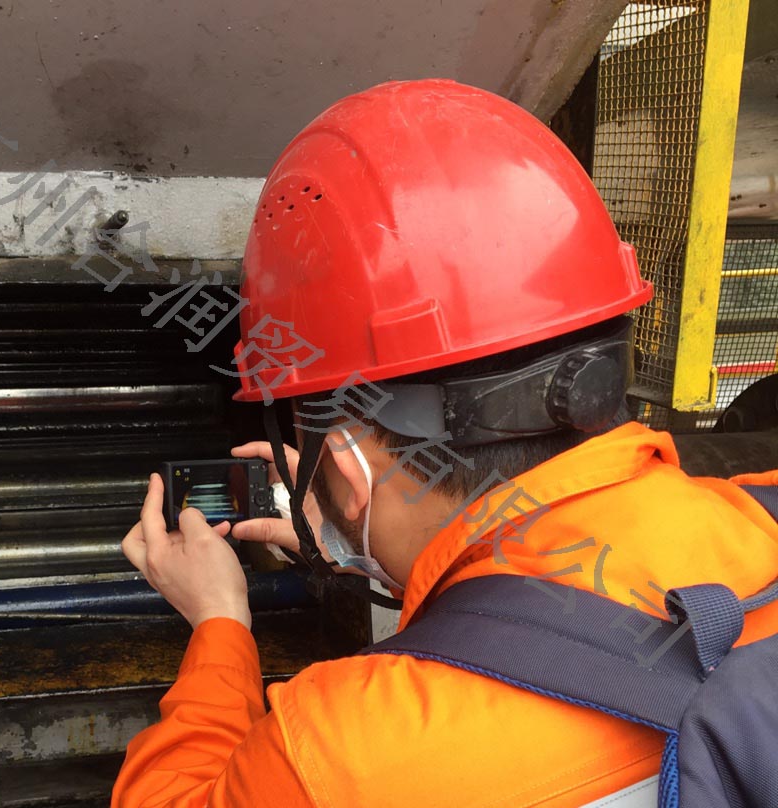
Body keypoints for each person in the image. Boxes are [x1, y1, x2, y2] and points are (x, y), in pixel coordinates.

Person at [112, 80, 778, 807]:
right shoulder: (759, 512)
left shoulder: (341, 758)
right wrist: (374, 544)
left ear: (350, 470)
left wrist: (218, 621)